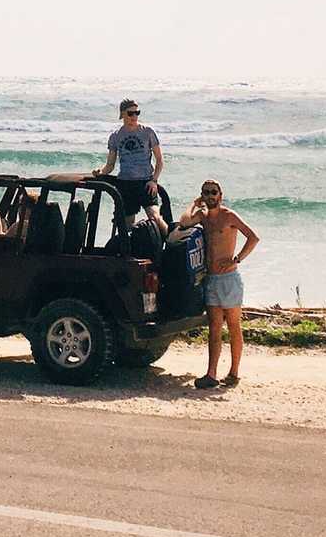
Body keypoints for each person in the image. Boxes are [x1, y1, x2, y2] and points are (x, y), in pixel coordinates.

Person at [178, 179, 258, 389]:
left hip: (229, 280)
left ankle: (233, 373)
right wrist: (194, 204)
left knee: (233, 326)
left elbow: (253, 237)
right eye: (206, 192)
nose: (210, 195)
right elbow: (184, 222)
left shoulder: (229, 216)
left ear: (220, 195)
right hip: (211, 279)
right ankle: (211, 374)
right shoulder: (203, 217)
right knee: (214, 328)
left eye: (214, 192)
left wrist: (237, 258)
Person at [91, 98, 163, 229]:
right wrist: (100, 172)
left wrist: (154, 180)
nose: (134, 116)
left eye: (137, 113)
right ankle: (128, 249)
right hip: (125, 184)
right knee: (126, 226)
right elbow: (110, 165)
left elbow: (159, 160)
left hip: (145, 183)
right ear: (122, 114)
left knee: (155, 218)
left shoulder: (148, 132)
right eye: (131, 113)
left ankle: (169, 243)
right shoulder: (116, 136)